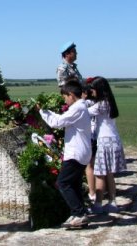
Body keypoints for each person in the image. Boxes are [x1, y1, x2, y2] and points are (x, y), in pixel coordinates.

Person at [38, 80, 92, 229]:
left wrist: (42, 111)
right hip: (81, 152)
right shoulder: (80, 107)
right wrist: (48, 112)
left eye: (65, 97)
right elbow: (62, 118)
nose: (65, 101)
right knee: (74, 184)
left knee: (63, 183)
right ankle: (79, 213)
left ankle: (79, 213)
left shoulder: (78, 108)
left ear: (71, 95)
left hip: (76, 153)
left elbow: (58, 122)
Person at [56, 42, 97, 202]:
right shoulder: (63, 68)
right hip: (72, 104)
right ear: (67, 54)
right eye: (74, 52)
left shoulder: (74, 67)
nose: (76, 54)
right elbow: (64, 87)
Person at [86, 76, 126, 214]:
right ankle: (112, 202)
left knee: (100, 174)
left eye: (93, 89)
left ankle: (97, 204)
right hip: (114, 140)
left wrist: (82, 99)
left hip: (105, 141)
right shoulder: (109, 102)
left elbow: (86, 111)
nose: (92, 91)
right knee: (109, 174)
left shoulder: (101, 104)